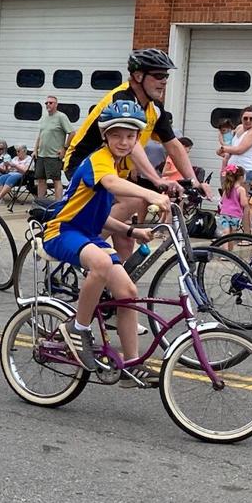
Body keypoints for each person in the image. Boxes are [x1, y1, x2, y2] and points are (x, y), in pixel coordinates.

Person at [41, 100, 169, 386]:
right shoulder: (99, 160)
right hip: (61, 231)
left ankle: (131, 365)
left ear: (137, 138)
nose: (123, 141)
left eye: (130, 136)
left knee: (128, 292)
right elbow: (111, 185)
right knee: (99, 264)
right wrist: (152, 195)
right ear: (105, 136)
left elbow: (96, 215)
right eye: (116, 135)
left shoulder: (115, 164)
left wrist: (130, 231)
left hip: (87, 234)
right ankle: (77, 328)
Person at [62, 49, 210, 261]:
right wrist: (156, 180)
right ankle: (85, 249)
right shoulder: (121, 100)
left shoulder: (153, 108)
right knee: (135, 201)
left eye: (166, 76)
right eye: (159, 75)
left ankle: (116, 288)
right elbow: (132, 146)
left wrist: (194, 182)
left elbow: (174, 146)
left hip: (115, 171)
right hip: (85, 165)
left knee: (125, 238)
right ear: (138, 76)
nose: (164, 81)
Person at [34, 95, 72, 200]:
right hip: (41, 154)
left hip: (54, 155)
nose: (48, 105)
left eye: (51, 102)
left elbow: (72, 133)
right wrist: (35, 149)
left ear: (56, 104)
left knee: (56, 179)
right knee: (41, 179)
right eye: (46, 103)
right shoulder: (44, 118)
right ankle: (40, 201)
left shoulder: (61, 117)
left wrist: (64, 148)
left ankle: (58, 203)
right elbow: (41, 134)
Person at [219, 107, 252, 183]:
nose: (248, 121)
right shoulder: (239, 127)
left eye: (251, 118)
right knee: (227, 195)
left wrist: (223, 149)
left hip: (245, 172)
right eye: (245, 118)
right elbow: (228, 143)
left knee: (242, 194)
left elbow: (239, 150)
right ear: (241, 118)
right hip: (231, 170)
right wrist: (222, 148)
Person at [216, 164, 249, 241]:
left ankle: (224, 250)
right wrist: (247, 198)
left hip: (224, 214)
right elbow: (243, 203)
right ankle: (229, 250)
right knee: (232, 235)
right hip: (235, 215)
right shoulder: (241, 189)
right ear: (241, 177)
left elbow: (222, 200)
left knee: (225, 233)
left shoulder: (227, 187)